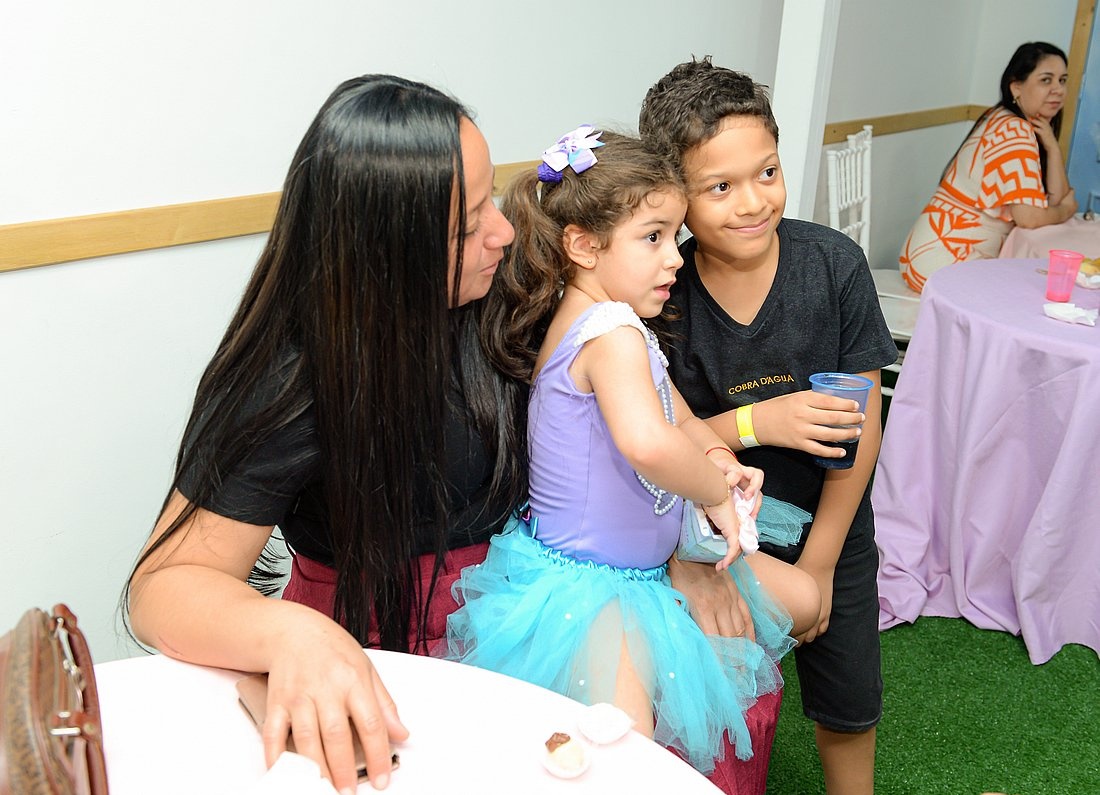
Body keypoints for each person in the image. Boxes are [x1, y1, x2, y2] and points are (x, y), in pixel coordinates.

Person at [124, 74, 527, 793]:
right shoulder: (294, 377)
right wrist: (292, 633)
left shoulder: (503, 297)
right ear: (388, 251)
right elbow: (162, 587)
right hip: (374, 655)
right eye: (469, 224)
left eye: (493, 197)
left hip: (527, 625)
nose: (505, 233)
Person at [444, 127, 820, 779]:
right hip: (593, 585)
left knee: (806, 598)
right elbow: (646, 442)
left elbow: (680, 418)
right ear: (583, 245)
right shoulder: (610, 333)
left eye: (674, 237)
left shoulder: (616, 322)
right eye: (653, 237)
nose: (674, 258)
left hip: (647, 569)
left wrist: (719, 458)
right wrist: (713, 494)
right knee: (626, 749)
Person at [639, 58, 898, 795]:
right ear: (675, 196)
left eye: (768, 172)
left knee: (849, 700)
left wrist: (822, 562)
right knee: (715, 697)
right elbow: (665, 437)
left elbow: (861, 426)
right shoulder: (663, 291)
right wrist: (763, 420)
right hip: (715, 539)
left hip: (831, 521)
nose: (754, 202)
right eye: (720, 187)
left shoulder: (834, 266)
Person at [899, 41, 1077, 292]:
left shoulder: (1007, 119)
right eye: (1046, 80)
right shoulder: (1013, 129)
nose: (1058, 90)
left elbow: (1054, 199)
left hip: (931, 251)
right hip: (943, 257)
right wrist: (1066, 210)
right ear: (1016, 86)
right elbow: (1030, 217)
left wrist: (1053, 148)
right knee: (1032, 291)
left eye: (1062, 80)